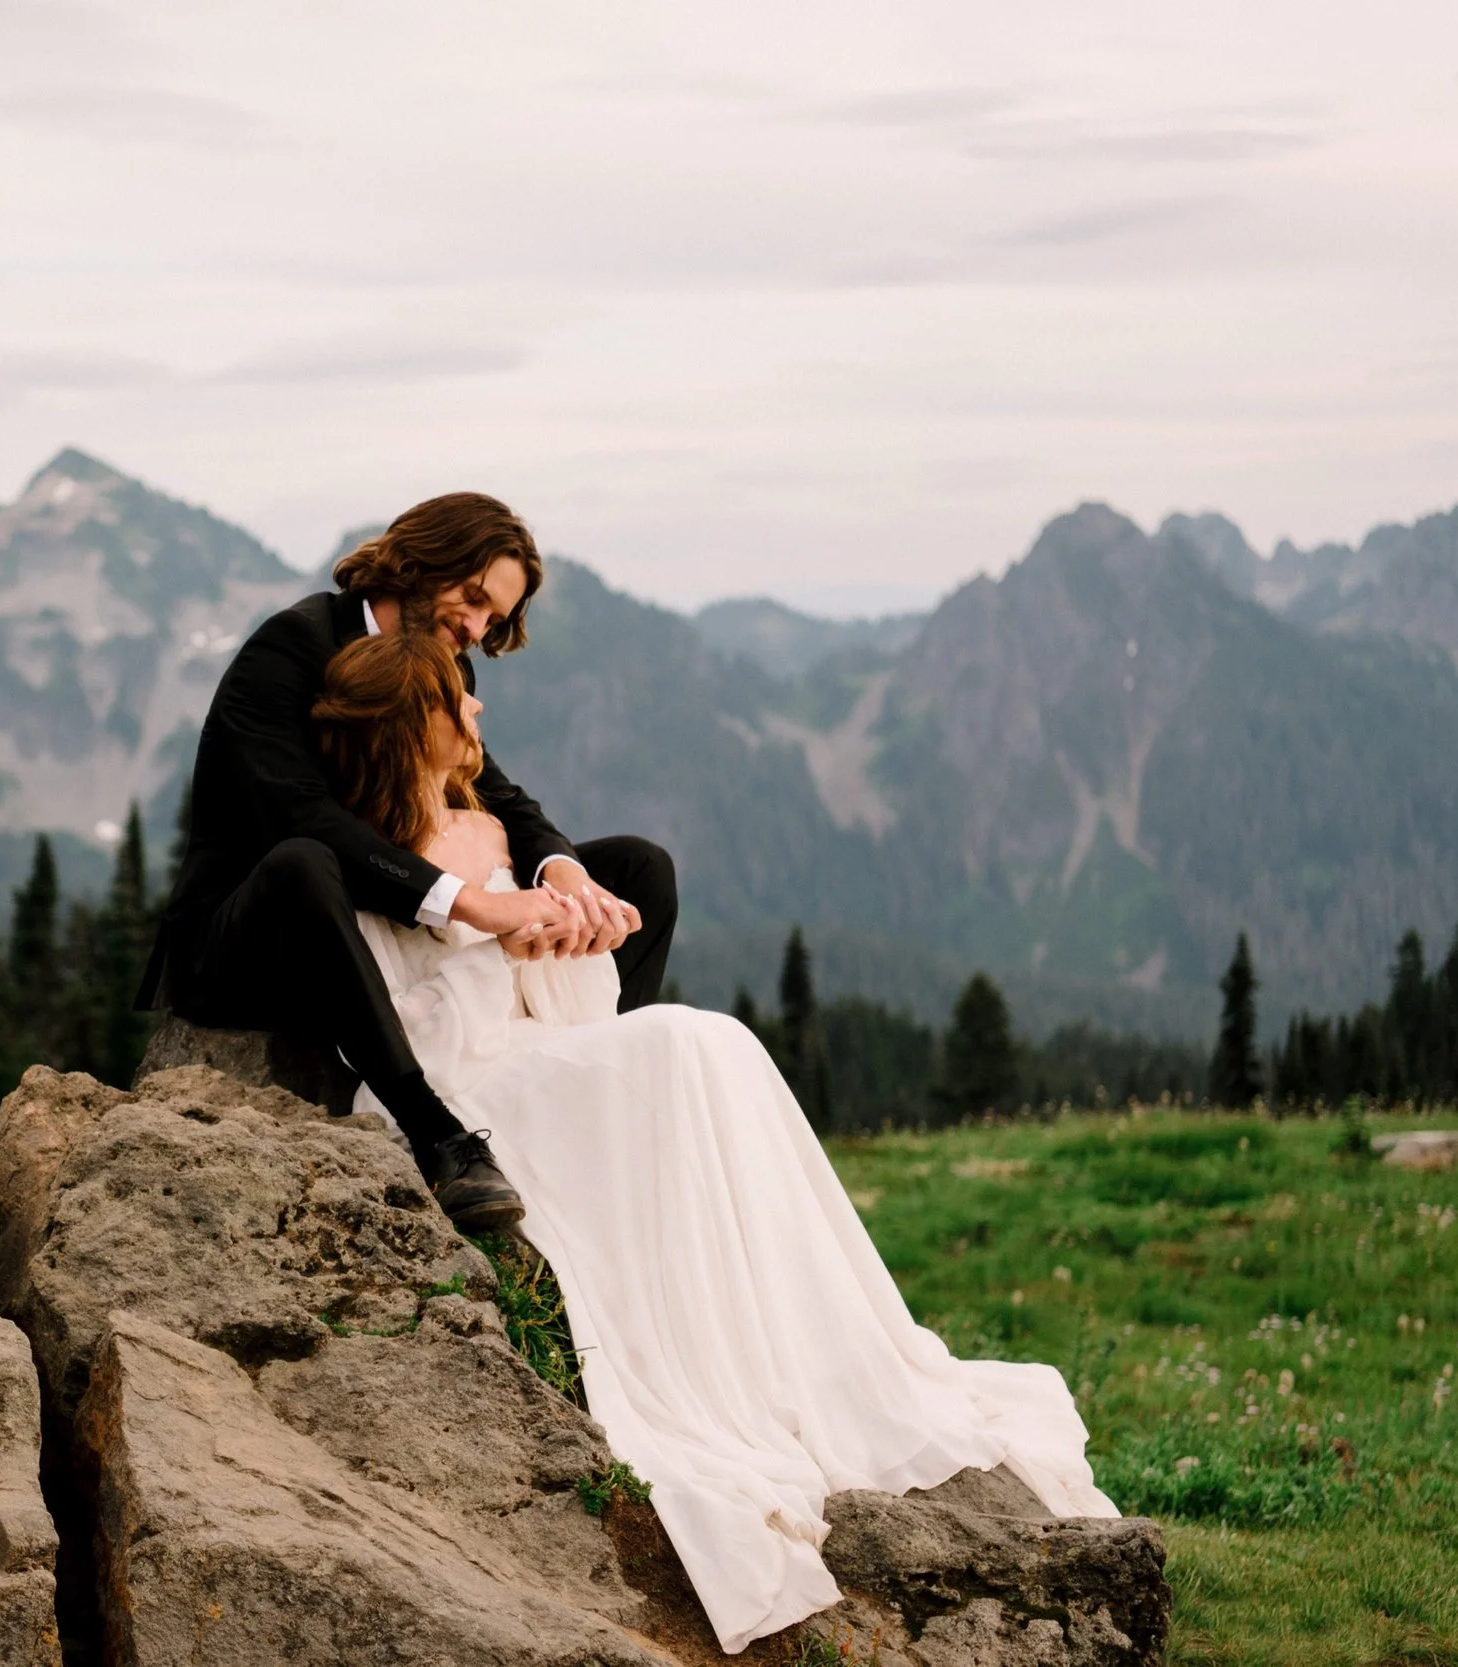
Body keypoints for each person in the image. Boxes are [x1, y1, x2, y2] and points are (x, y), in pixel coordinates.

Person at [310, 629, 1120, 1651]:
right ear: (410, 723)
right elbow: (402, 1028)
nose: (477, 712)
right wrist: (497, 941)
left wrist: (568, 940)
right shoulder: (370, 857)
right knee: (682, 1042)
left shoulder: (484, 825)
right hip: (457, 1084)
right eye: (454, 699)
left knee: (706, 1041)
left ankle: (779, 1332)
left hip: (541, 1048)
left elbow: (575, 1010)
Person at [138, 492, 676, 1232]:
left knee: (640, 871)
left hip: (389, 912)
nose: (476, 628)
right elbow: (301, 817)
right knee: (302, 861)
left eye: (493, 618)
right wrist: (477, 903)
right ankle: (438, 1138)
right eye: (473, 598)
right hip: (263, 932)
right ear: (422, 561)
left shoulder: (445, 663)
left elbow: (497, 792)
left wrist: (563, 875)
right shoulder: (290, 649)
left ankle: (602, 1092)